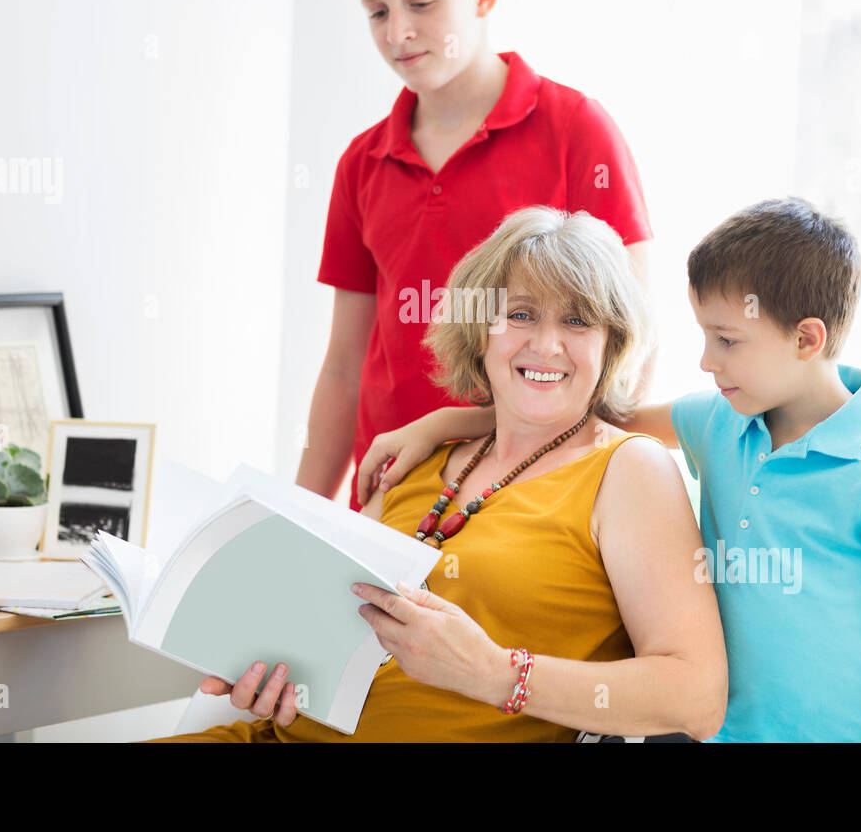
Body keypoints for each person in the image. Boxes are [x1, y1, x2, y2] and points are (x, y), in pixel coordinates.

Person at [357, 197, 861, 742]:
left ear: (806, 339)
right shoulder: (722, 419)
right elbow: (581, 412)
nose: (704, 360)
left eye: (726, 339)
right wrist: (437, 425)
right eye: (520, 315)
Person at [148, 207, 726, 742]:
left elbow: (697, 698)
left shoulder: (628, 470)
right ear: (481, 332)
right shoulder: (421, 457)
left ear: (612, 344)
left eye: (578, 321)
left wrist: (495, 674)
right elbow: (321, 625)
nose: (546, 344)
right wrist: (263, 666)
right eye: (520, 314)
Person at [297, 0, 656, 514]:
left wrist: (588, 487)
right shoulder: (362, 161)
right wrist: (301, 513)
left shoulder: (576, 130)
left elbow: (633, 336)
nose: (398, 31)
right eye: (377, 11)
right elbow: (343, 365)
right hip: (392, 497)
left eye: (422, 2)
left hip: (530, 495)